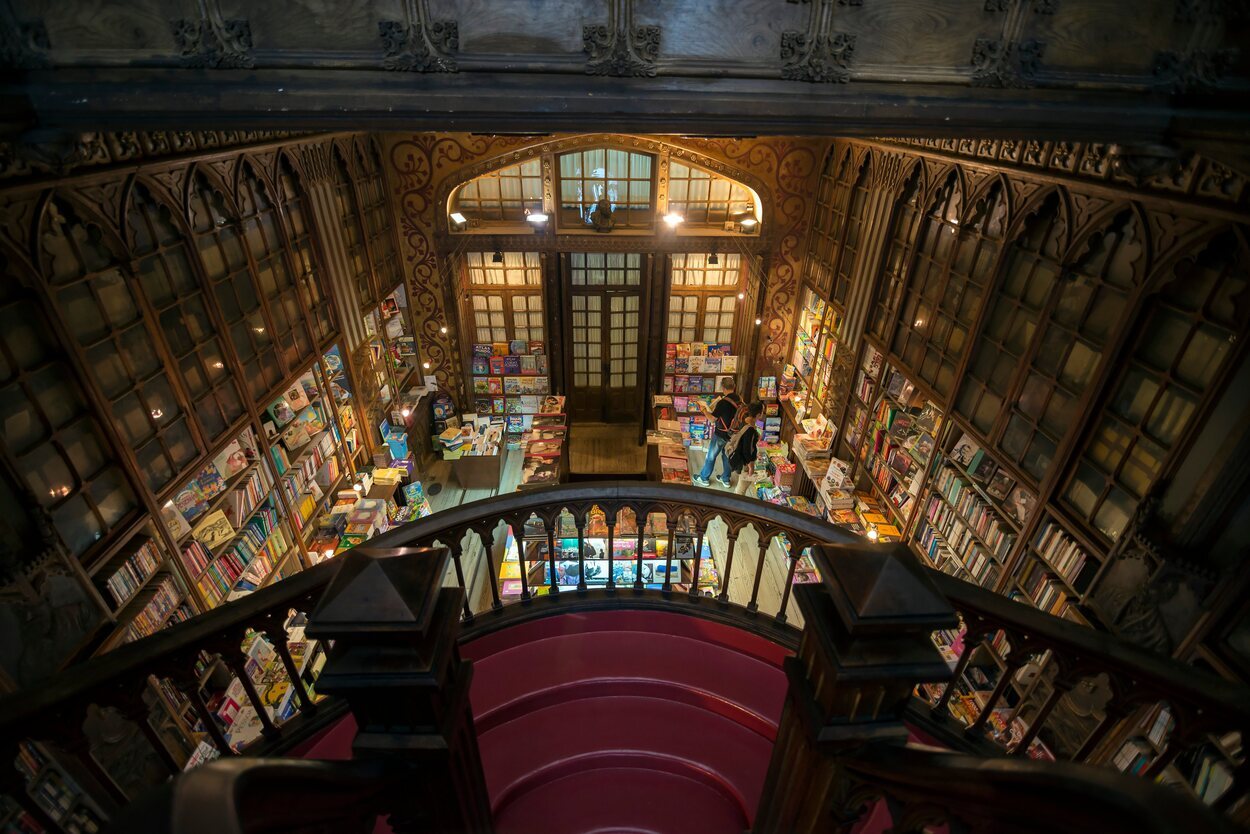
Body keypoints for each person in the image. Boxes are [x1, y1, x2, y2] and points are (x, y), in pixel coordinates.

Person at [693, 377, 742, 487]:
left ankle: (704, 478)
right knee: (727, 456)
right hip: (734, 434)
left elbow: (712, 419)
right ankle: (726, 479)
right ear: (733, 387)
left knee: (711, 456)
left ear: (723, 388)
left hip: (721, 433)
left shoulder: (723, 402)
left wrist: (704, 410)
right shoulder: (740, 399)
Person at [728, 400, 764, 494]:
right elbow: (747, 450)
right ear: (758, 415)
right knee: (741, 488)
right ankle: (735, 506)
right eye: (762, 412)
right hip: (745, 463)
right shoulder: (750, 430)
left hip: (740, 458)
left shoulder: (745, 420)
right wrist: (751, 466)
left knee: (740, 487)